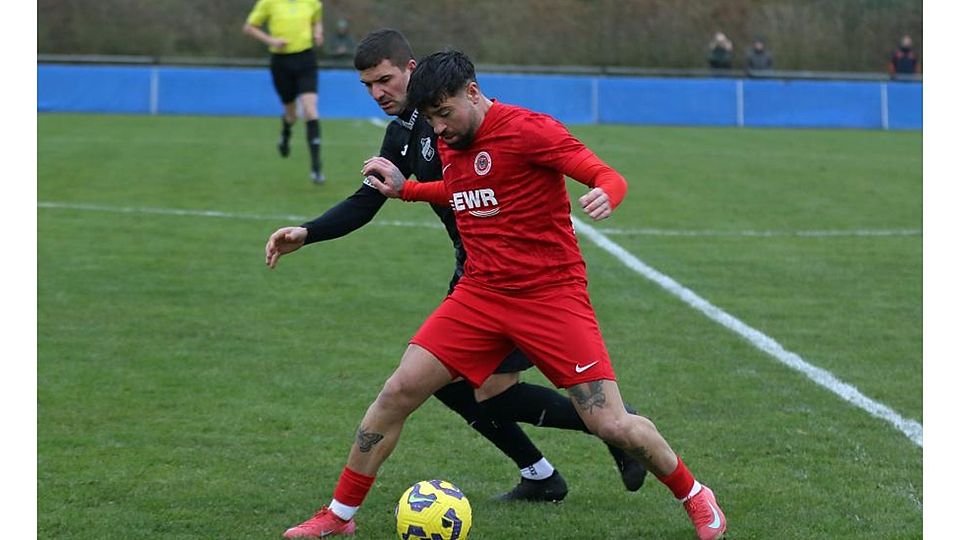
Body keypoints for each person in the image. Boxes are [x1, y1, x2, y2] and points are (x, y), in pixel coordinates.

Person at [281, 50, 727, 540]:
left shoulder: (530, 130)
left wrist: (607, 192)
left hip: (550, 297)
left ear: (473, 92)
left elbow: (605, 174)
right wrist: (405, 190)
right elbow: (463, 188)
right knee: (397, 393)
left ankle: (695, 495)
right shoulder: (449, 137)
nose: (439, 130)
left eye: (445, 115)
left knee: (611, 424)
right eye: (430, 119)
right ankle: (339, 517)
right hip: (479, 294)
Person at [243, 0, 325, 184]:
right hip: (281, 61)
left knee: (310, 109)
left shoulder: (312, 2)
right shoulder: (268, 3)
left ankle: (316, 168)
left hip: (306, 58)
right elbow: (249, 27)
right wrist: (271, 40)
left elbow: (316, 19)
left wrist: (318, 32)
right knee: (292, 114)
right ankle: (286, 132)